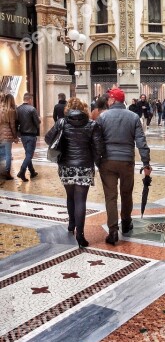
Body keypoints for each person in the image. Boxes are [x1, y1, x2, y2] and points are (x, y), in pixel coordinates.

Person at [44, 98, 104, 247]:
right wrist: (94, 161)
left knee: (70, 196)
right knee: (81, 200)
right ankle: (81, 235)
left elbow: (47, 139)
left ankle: (71, 224)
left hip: (66, 165)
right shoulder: (92, 125)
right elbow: (99, 148)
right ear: (84, 108)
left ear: (68, 108)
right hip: (84, 166)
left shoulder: (62, 122)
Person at [97, 88, 151, 244]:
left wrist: (98, 160)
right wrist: (146, 162)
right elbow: (141, 142)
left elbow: (97, 141)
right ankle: (126, 223)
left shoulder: (103, 117)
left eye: (108, 99)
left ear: (113, 100)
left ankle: (113, 230)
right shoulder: (133, 117)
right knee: (126, 193)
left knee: (111, 196)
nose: (107, 101)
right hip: (127, 161)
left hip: (107, 161)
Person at [16, 92, 41, 182]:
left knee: (28, 154)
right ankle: (22, 171)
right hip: (31, 135)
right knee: (30, 155)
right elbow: (37, 123)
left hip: (23, 135)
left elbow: (16, 122)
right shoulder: (32, 109)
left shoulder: (18, 109)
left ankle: (32, 171)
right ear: (30, 99)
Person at [0, 93, 18, 180]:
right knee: (8, 155)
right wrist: (15, 137)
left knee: (1, 154)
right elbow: (13, 125)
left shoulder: (0, 109)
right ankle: (7, 172)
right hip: (7, 135)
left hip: (0, 134)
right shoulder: (11, 111)